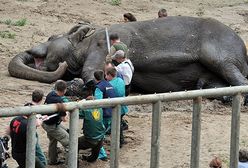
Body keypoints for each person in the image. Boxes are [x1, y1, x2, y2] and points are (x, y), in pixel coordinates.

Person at [8, 90, 46, 168]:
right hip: (25, 154)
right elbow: (34, 143)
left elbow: (8, 130)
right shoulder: (28, 125)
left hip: (15, 152)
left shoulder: (15, 119)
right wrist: (39, 121)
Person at [41, 80, 69, 165]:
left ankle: (52, 161)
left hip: (45, 123)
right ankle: (70, 164)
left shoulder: (50, 94)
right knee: (70, 143)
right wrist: (67, 112)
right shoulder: (59, 101)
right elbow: (64, 119)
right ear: (64, 90)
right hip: (51, 126)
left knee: (53, 140)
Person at [78, 92, 106, 162]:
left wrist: (80, 104)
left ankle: (74, 163)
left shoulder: (86, 110)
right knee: (97, 145)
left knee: (73, 144)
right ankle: (92, 159)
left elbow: (76, 114)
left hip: (90, 139)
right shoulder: (99, 108)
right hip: (101, 136)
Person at [105, 67, 128, 147]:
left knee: (116, 125)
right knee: (119, 124)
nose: (105, 77)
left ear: (109, 75)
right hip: (123, 107)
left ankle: (119, 142)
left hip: (115, 108)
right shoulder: (121, 80)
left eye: (106, 75)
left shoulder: (109, 85)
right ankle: (121, 140)